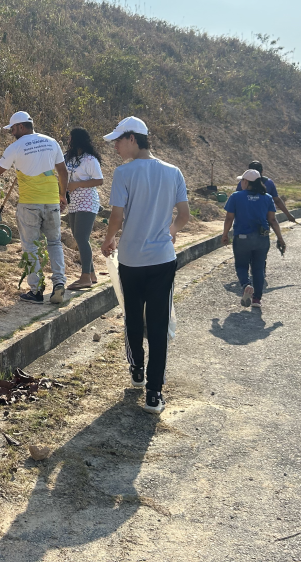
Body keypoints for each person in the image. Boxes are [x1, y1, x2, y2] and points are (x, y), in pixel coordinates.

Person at [100, 116, 190, 415]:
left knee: (133, 317)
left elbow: (116, 217)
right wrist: (171, 233)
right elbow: (184, 214)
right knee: (159, 324)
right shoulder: (173, 171)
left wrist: (109, 239)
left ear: (133, 139)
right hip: (162, 260)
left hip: (130, 260)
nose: (115, 146)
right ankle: (154, 394)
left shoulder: (125, 174)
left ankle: (137, 369)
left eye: (118, 140)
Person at [0, 111, 69, 304]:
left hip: (30, 203)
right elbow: (63, 171)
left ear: (21, 126)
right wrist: (62, 195)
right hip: (51, 201)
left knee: (30, 246)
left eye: (12, 129)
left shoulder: (15, 147)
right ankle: (59, 284)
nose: (11, 133)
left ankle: (36, 291)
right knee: (54, 243)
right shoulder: (51, 142)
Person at [223, 169, 288, 309]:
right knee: (258, 268)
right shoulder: (267, 198)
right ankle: (256, 299)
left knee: (241, 265)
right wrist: (280, 238)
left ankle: (246, 285)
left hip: (242, 238)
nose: (241, 183)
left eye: (242, 180)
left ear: (246, 182)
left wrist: (225, 234)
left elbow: (229, 217)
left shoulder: (236, 196)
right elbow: (272, 220)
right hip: (262, 238)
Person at [63, 128, 105, 290]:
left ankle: (85, 277)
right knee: (77, 236)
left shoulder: (90, 160)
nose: (68, 140)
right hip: (73, 201)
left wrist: (77, 184)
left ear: (77, 139)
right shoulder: (68, 157)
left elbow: (99, 180)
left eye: (70, 137)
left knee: (81, 237)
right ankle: (92, 273)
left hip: (87, 200)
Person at [234, 160, 298, 225]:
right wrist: (288, 215)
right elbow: (277, 200)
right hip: (264, 220)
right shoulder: (269, 183)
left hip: (245, 219)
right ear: (262, 171)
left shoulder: (242, 183)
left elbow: (236, 201)